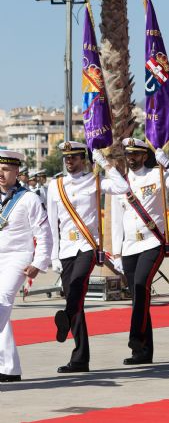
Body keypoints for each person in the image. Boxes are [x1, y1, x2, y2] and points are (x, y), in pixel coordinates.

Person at [47, 141, 129, 373]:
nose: (69, 162)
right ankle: (80, 358)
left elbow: (122, 187)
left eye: (73, 157)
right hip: (66, 250)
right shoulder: (56, 185)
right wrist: (54, 256)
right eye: (66, 158)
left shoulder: (95, 181)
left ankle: (65, 315)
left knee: (77, 286)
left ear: (83, 159)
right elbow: (52, 224)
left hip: (87, 246)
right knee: (77, 302)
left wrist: (105, 164)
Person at [111, 138, 169, 365]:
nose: (131, 158)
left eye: (136, 154)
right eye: (128, 154)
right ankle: (143, 352)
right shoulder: (122, 183)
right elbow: (117, 221)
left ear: (145, 156)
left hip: (152, 243)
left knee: (141, 286)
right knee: (139, 297)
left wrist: (168, 164)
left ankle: (136, 338)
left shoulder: (157, 175)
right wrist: (116, 254)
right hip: (129, 247)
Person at [0, 150, 52, 382]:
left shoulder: (29, 198)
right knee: (2, 310)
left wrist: (38, 262)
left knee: (1, 300)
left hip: (18, 257)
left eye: (6, 169)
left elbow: (44, 233)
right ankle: (10, 368)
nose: (1, 173)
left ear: (16, 171)